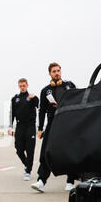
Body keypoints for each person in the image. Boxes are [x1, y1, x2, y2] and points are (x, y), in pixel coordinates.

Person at [31, 63, 78, 192]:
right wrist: (40, 128)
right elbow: (41, 111)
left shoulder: (70, 86)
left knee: (70, 151)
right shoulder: (46, 90)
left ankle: (70, 181)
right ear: (50, 74)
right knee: (46, 151)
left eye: (58, 70)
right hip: (52, 124)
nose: (57, 73)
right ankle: (41, 180)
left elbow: (78, 102)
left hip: (68, 123)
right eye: (54, 71)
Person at [8, 78, 39, 181]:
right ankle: (27, 165)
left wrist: (35, 98)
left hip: (30, 126)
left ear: (27, 85)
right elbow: (11, 113)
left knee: (30, 150)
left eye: (24, 85)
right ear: (19, 86)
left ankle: (28, 172)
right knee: (19, 149)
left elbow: (40, 106)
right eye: (20, 86)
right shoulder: (15, 99)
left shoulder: (32, 97)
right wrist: (10, 126)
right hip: (20, 126)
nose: (22, 87)